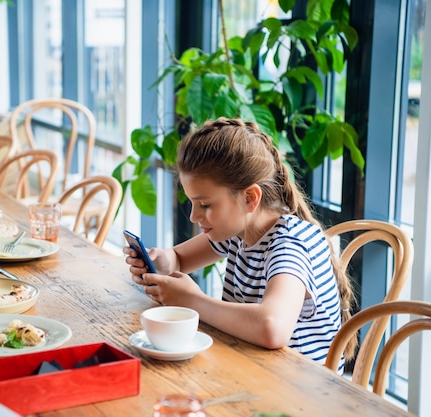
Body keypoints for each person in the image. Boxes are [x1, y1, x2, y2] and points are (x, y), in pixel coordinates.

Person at [124, 117, 356, 366]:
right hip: (252, 368)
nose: (193, 216)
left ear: (250, 198)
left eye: (205, 204)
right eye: (192, 202)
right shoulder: (238, 230)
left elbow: (272, 327)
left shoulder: (289, 245)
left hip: (300, 392)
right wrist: (161, 263)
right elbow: (179, 259)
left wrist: (192, 300)